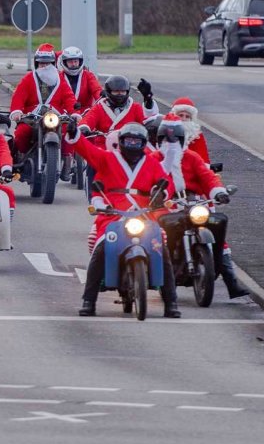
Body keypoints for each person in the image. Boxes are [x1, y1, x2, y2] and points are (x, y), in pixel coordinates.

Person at [66, 121, 181, 318]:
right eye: (128, 140)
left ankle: (171, 303)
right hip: (112, 215)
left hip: (144, 214)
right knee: (101, 250)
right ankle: (89, 301)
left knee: (161, 249)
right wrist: (75, 133)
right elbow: (88, 150)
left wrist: (160, 194)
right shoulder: (107, 159)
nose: (132, 144)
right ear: (121, 142)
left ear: (143, 143)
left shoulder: (152, 164)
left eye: (137, 141)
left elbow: (165, 183)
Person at [154, 115, 249, 299]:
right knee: (159, 236)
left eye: (174, 139)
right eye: (166, 138)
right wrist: (155, 197)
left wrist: (218, 192)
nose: (170, 142)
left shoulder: (192, 157)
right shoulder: (153, 158)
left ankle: (231, 282)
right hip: (167, 205)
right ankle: (163, 275)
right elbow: (148, 182)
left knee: (217, 228)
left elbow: (208, 177)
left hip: (194, 203)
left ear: (182, 140)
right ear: (158, 139)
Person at [8, 44, 78, 157]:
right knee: (21, 133)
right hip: (32, 117)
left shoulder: (60, 79)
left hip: (56, 116)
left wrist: (74, 112)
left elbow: (69, 97)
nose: (45, 66)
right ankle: (22, 157)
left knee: (68, 131)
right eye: (42, 63)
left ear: (53, 64)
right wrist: (16, 111)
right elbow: (18, 96)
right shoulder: (29, 78)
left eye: (48, 63)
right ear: (37, 64)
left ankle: (68, 161)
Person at [79, 75, 161, 148]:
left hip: (129, 148)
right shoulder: (99, 108)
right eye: (116, 92)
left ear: (127, 92)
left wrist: (148, 99)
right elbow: (88, 119)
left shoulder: (135, 107)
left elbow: (148, 121)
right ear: (109, 92)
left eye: (123, 92)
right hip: (103, 149)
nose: (120, 95)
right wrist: (84, 128)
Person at [59, 45, 102, 113]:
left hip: (85, 114)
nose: (73, 64)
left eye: (75, 61)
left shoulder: (88, 75)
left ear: (80, 61)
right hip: (63, 115)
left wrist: (102, 96)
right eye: (70, 62)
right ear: (64, 62)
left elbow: (96, 90)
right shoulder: (58, 77)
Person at [169, 97, 210, 164]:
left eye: (187, 116)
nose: (183, 119)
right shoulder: (165, 132)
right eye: (181, 115)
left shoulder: (196, 136)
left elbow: (203, 159)